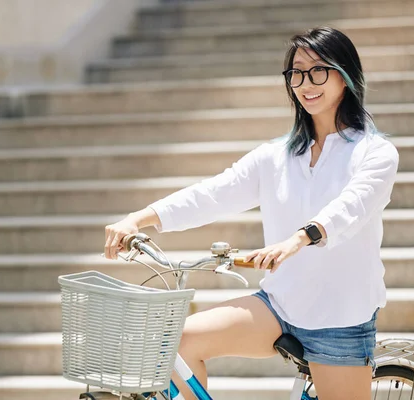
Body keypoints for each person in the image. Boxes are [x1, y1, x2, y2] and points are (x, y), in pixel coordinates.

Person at [104, 26, 399, 400]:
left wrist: (298, 239)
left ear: (344, 76)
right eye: (296, 73)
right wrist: (140, 218)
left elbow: (351, 207)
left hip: (339, 318)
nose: (305, 83)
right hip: (278, 305)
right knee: (179, 342)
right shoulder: (276, 156)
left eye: (318, 71)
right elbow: (213, 193)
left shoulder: (375, 152)